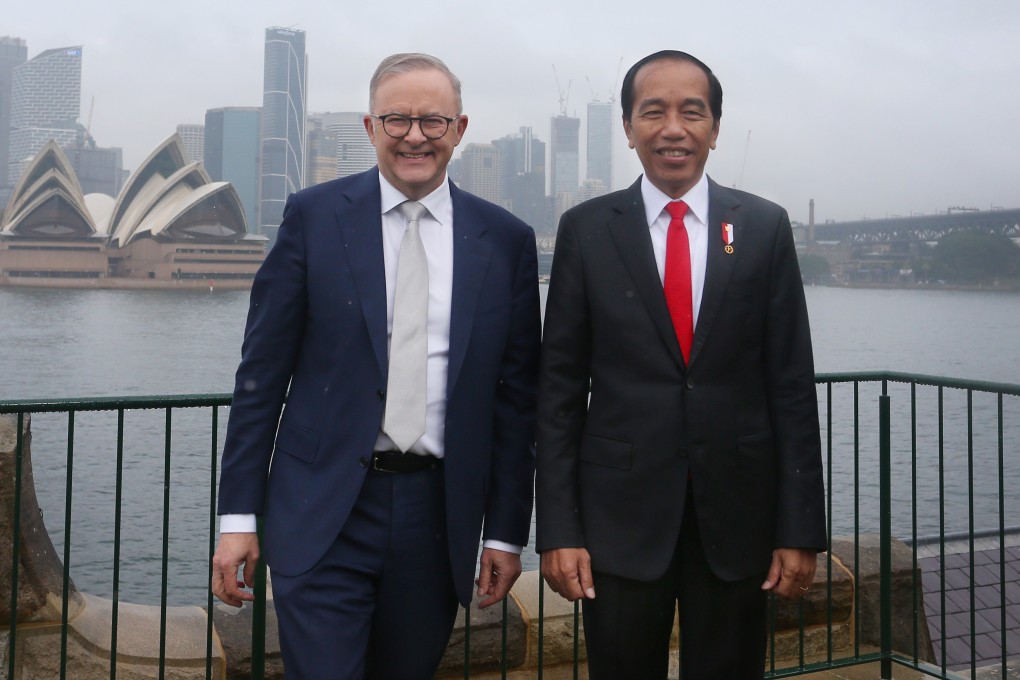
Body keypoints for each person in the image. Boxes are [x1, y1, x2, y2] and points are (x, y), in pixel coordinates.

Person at [211, 53, 541, 679]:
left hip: (439, 517)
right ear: (370, 128)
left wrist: (503, 534)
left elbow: (515, 402)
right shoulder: (312, 218)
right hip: (323, 508)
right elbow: (259, 382)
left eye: (433, 121)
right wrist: (237, 522)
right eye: (397, 119)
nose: (415, 135)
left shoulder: (505, 240)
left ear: (460, 129)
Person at [535, 50, 826, 679]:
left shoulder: (764, 228)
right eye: (654, 112)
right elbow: (558, 390)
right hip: (618, 523)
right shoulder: (585, 231)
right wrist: (559, 529)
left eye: (692, 112)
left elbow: (792, 388)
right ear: (628, 127)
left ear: (715, 129)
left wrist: (801, 529)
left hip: (738, 520)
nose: (674, 128)